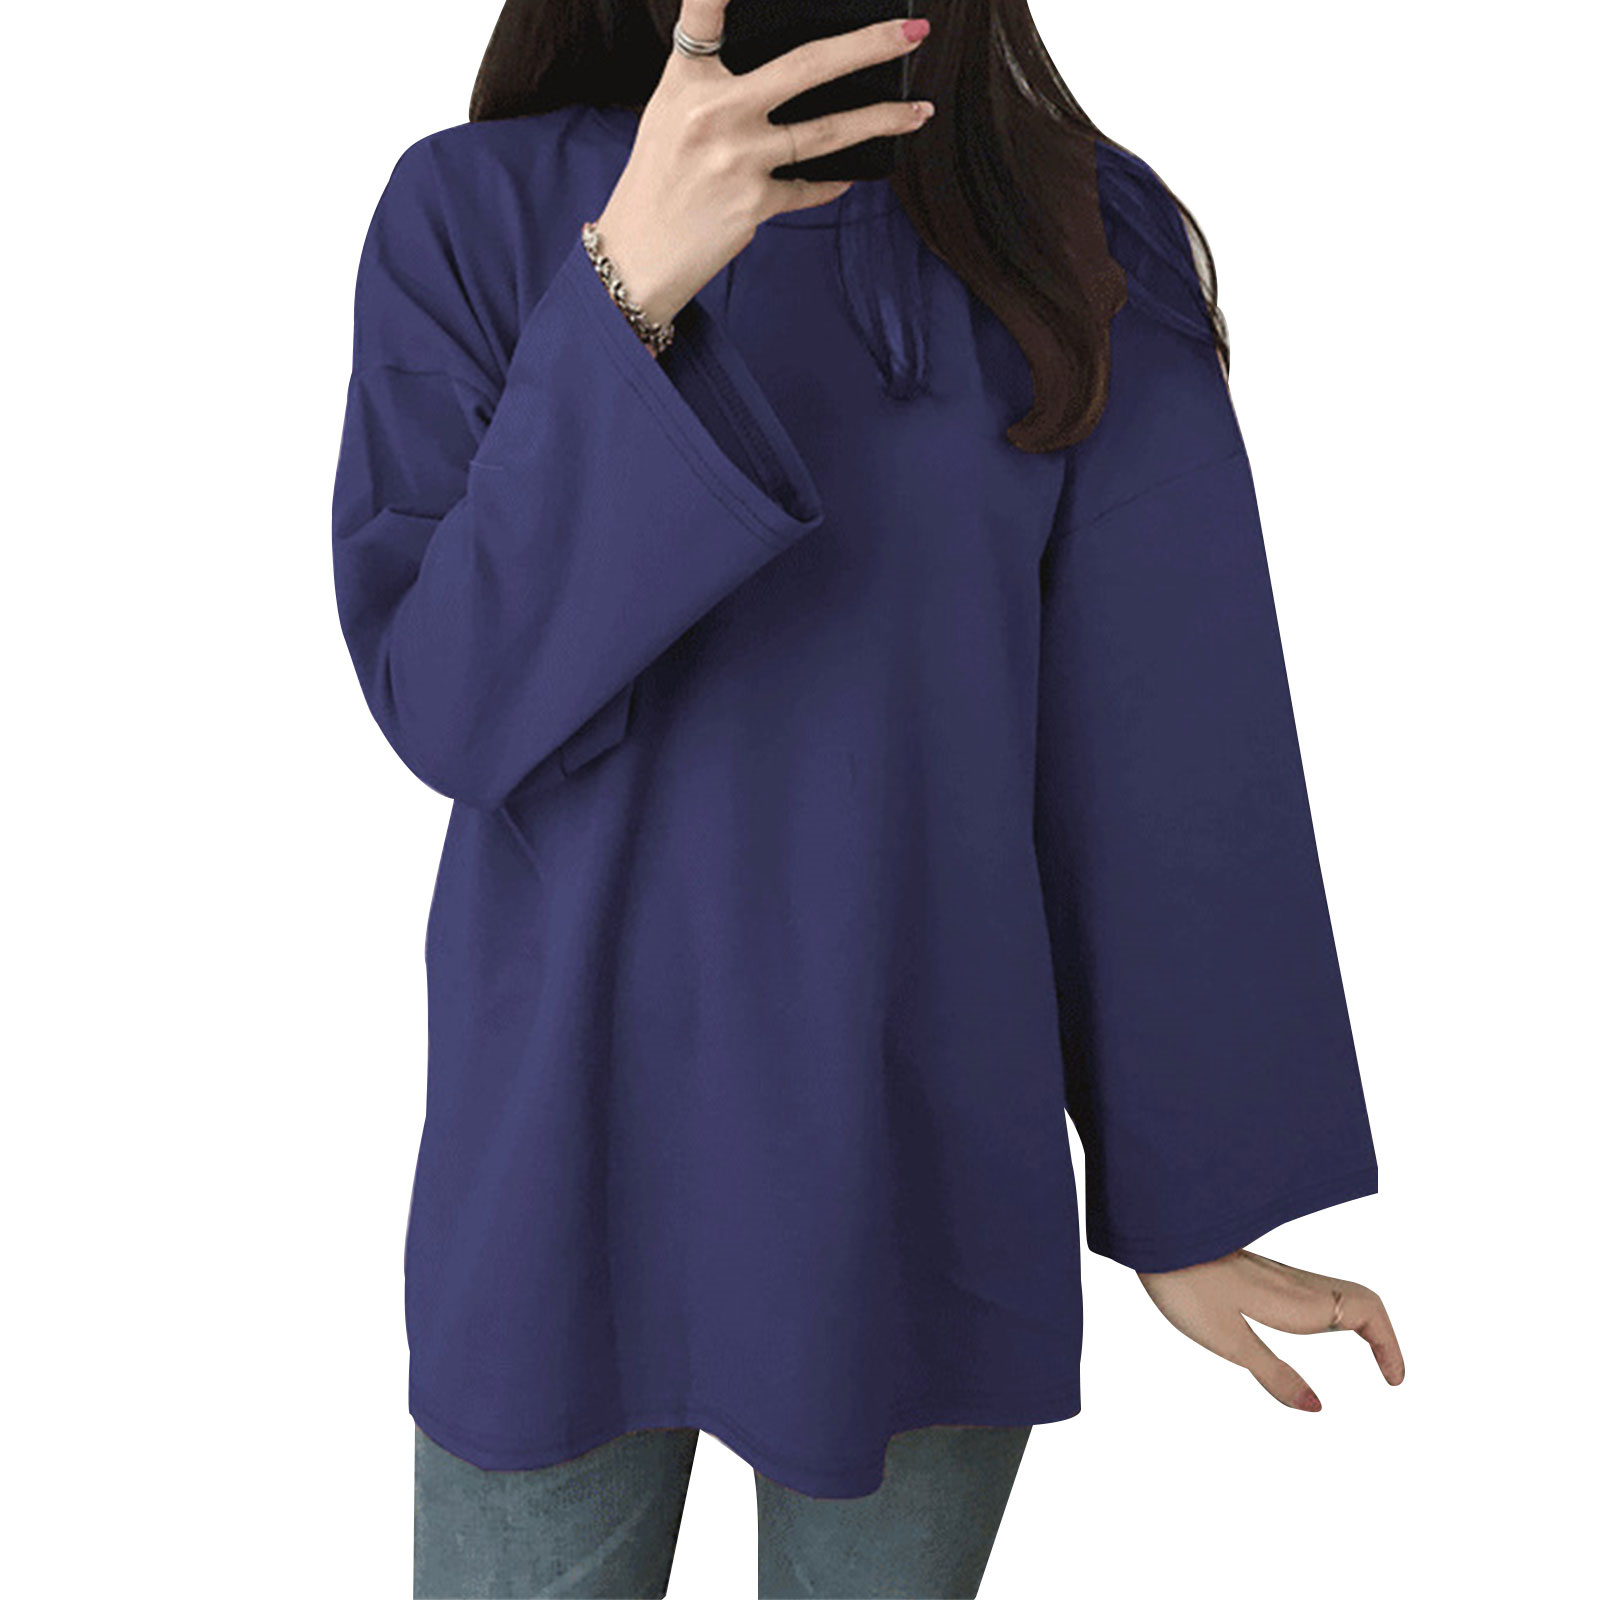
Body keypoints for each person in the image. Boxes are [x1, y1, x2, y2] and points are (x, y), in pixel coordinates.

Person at [330, 2, 1407, 1595]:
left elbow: (1165, 746)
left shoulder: (1074, 228)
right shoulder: (474, 210)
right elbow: (456, 704)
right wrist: (625, 287)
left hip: (918, 1149)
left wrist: (1189, 1190)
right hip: (560, 1145)